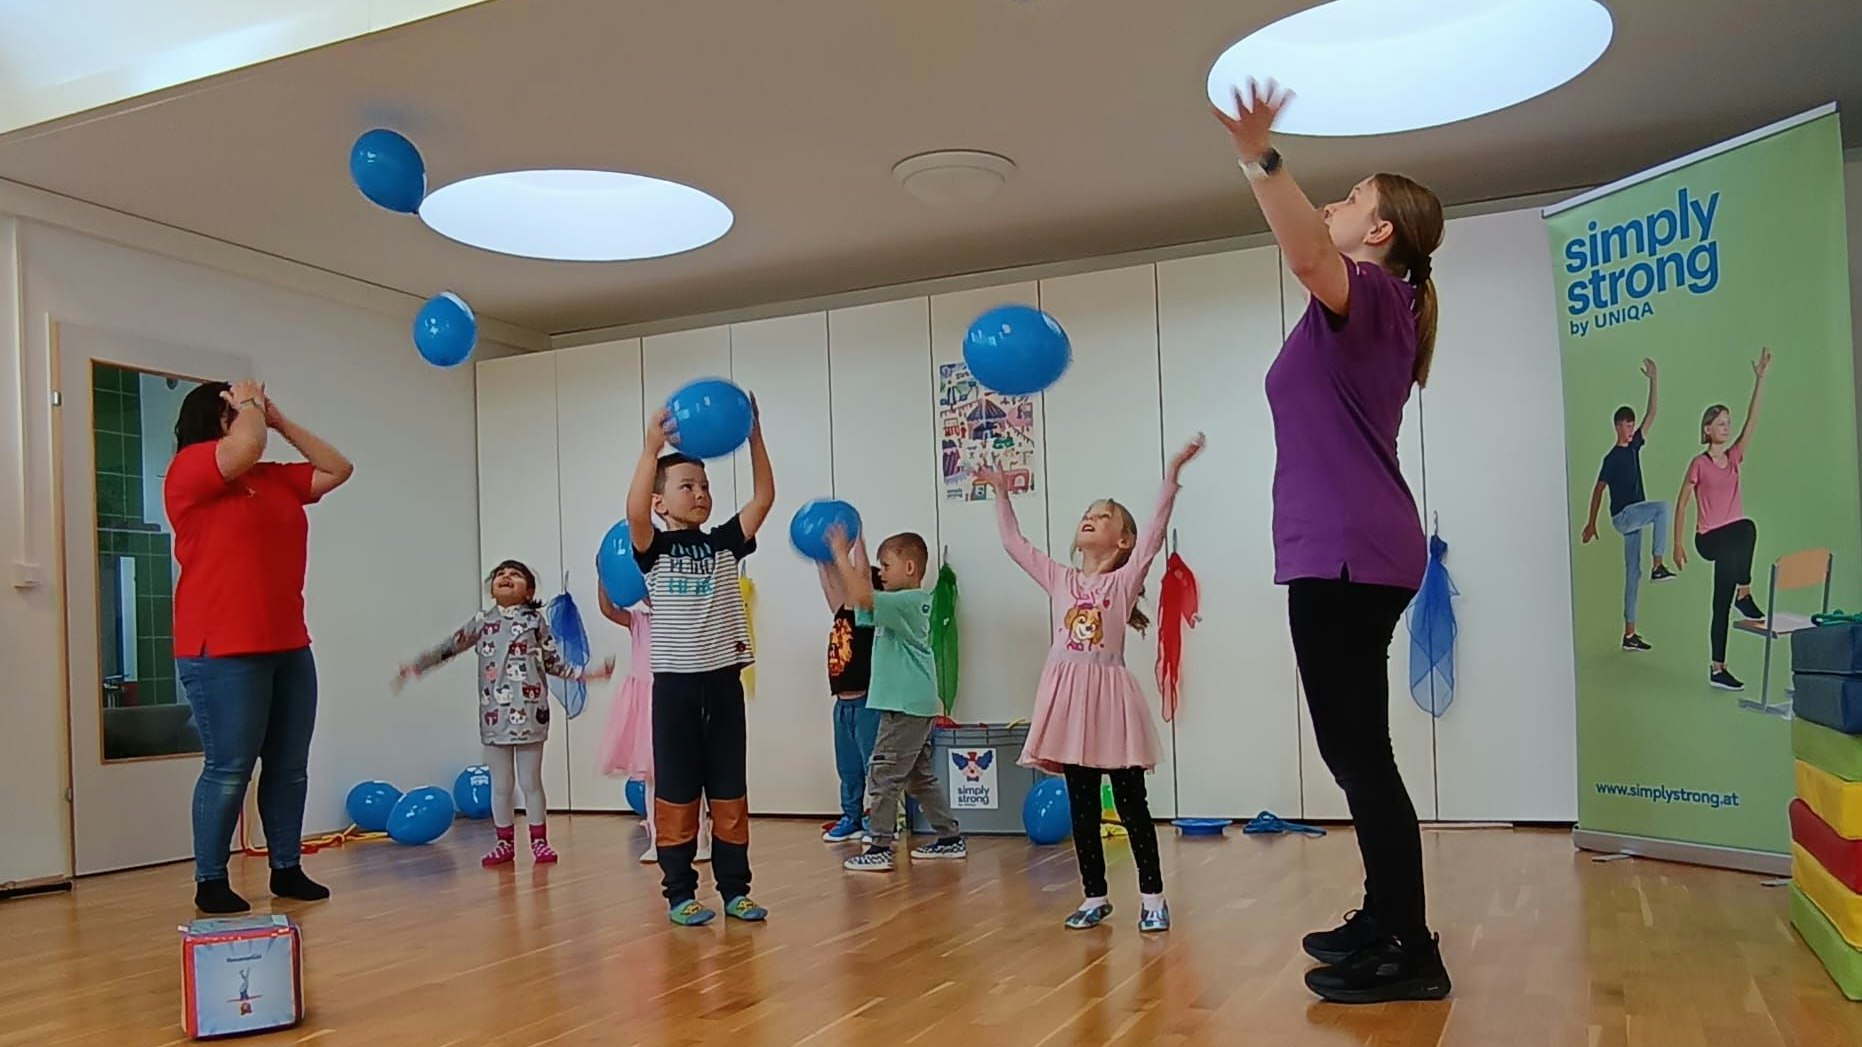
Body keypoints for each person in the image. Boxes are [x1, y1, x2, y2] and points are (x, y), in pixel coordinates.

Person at [1214, 78, 1451, 1003]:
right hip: (1347, 549)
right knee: (1356, 748)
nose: (1339, 205)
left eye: (1354, 199)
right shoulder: (1364, 310)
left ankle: (1411, 947)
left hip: (1349, 552)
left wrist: (1260, 157)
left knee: (1359, 752)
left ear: (1382, 231)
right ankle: (1384, 915)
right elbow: (1316, 259)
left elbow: (1308, 254)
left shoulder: (1379, 297)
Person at [979, 435, 1203, 932]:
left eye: (1104, 516)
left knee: (1130, 804)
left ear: (1122, 540)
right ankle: (1094, 895)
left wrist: (1171, 476)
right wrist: (1000, 491)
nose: (1091, 517)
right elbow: (1014, 544)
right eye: (1088, 513)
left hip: (1108, 700)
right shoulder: (1060, 579)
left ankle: (1152, 897)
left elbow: (1155, 533)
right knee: (1082, 805)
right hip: (1066, 701)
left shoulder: (1122, 583)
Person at [166, 379, 354, 914]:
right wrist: (248, 403)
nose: (248, 418)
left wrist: (279, 420)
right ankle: (210, 878)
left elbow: (339, 468)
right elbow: (243, 447)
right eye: (237, 410)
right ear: (216, 417)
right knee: (229, 766)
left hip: (288, 644)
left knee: (290, 764)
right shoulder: (191, 469)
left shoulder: (273, 479)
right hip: (220, 647)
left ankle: (286, 867)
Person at [626, 402, 774, 926]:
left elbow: (764, 497)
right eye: (687, 486)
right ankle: (679, 893)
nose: (700, 495)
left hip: (723, 685)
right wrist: (650, 451)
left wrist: (754, 437)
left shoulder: (724, 545)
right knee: (677, 794)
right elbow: (634, 515)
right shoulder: (654, 549)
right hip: (675, 691)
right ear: (661, 501)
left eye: (705, 487)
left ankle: (736, 889)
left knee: (730, 791)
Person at [397, 560, 613, 866]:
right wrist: (419, 665)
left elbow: (553, 662)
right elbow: (450, 646)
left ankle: (539, 842)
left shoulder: (535, 622)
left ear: (529, 591)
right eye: (500, 574)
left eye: (515, 575)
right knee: (501, 785)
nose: (506, 577)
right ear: (491, 587)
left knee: (530, 781)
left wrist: (587, 674)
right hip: (494, 716)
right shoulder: (482, 621)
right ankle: (504, 844)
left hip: (530, 713)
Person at [825, 529, 965, 872]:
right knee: (919, 778)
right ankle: (950, 838)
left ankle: (880, 845)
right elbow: (857, 600)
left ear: (910, 567)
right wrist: (858, 550)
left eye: (886, 566)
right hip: (908, 705)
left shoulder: (909, 602)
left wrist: (841, 555)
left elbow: (862, 594)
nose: (881, 572)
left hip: (905, 707)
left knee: (883, 774)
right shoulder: (897, 606)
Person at [1672, 349, 1772, 692]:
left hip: (1730, 545)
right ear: (1707, 429)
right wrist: (1677, 544)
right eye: (1720, 423)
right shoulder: (1699, 463)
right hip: (1709, 540)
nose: (1727, 427)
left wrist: (1760, 379)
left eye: (1729, 422)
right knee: (1745, 528)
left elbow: (1752, 421)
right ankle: (1745, 592)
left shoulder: (1733, 457)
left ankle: (1718, 668)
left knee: (1719, 603)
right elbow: (1682, 503)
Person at [593, 587, 712, 864]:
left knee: (690, 772)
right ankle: (658, 839)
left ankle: (701, 837)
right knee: (652, 776)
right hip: (645, 701)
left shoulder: (685, 618)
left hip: (678, 696)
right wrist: (602, 578)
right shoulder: (639, 620)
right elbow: (609, 610)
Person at [1581, 359, 1676, 651]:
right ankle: (1658, 565)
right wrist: (1591, 522)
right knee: (1662, 508)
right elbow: (1598, 490)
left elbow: (1653, 413)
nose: (1631, 428)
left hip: (1634, 516)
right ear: (1617, 426)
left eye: (1632, 424)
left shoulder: (1635, 446)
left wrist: (1654, 380)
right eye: (1626, 424)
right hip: (1623, 517)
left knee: (1632, 574)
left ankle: (1629, 634)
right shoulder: (1611, 458)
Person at [818, 551, 882, 844]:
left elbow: (861, 584)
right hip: (842, 705)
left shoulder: (869, 617)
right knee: (847, 767)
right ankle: (851, 817)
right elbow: (830, 586)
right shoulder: (841, 611)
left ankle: (879, 822)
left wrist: (851, 550)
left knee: (873, 766)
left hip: (867, 703)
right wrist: (822, 560)